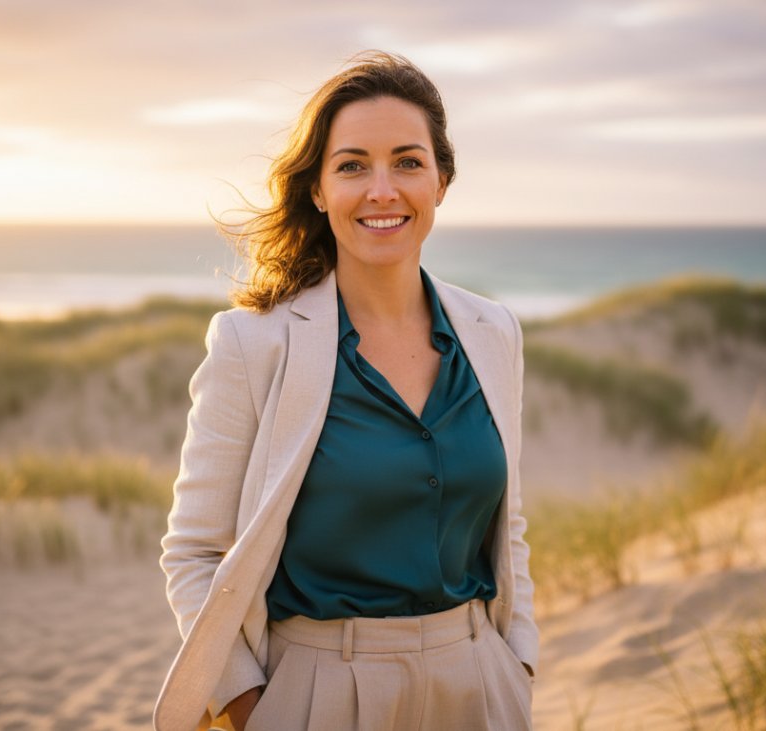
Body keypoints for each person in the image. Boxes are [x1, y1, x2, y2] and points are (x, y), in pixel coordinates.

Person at [153, 51, 537, 731]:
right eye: (353, 166)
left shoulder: (493, 331)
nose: (382, 190)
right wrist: (249, 707)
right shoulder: (253, 343)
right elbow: (195, 553)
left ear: (442, 181)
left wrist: (518, 664)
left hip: (479, 687)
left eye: (408, 162)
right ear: (319, 189)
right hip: (320, 691)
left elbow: (508, 526)